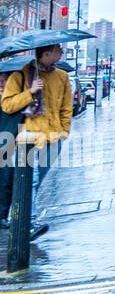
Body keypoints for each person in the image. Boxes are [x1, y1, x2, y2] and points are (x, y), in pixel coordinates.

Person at [1, 44, 74, 238]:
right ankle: (28, 223)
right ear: (46, 53)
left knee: (35, 182)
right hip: (27, 138)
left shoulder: (62, 77)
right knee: (29, 181)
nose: (61, 52)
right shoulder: (21, 76)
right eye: (58, 49)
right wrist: (30, 92)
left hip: (53, 138)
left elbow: (66, 107)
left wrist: (64, 131)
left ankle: (17, 216)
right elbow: (7, 105)